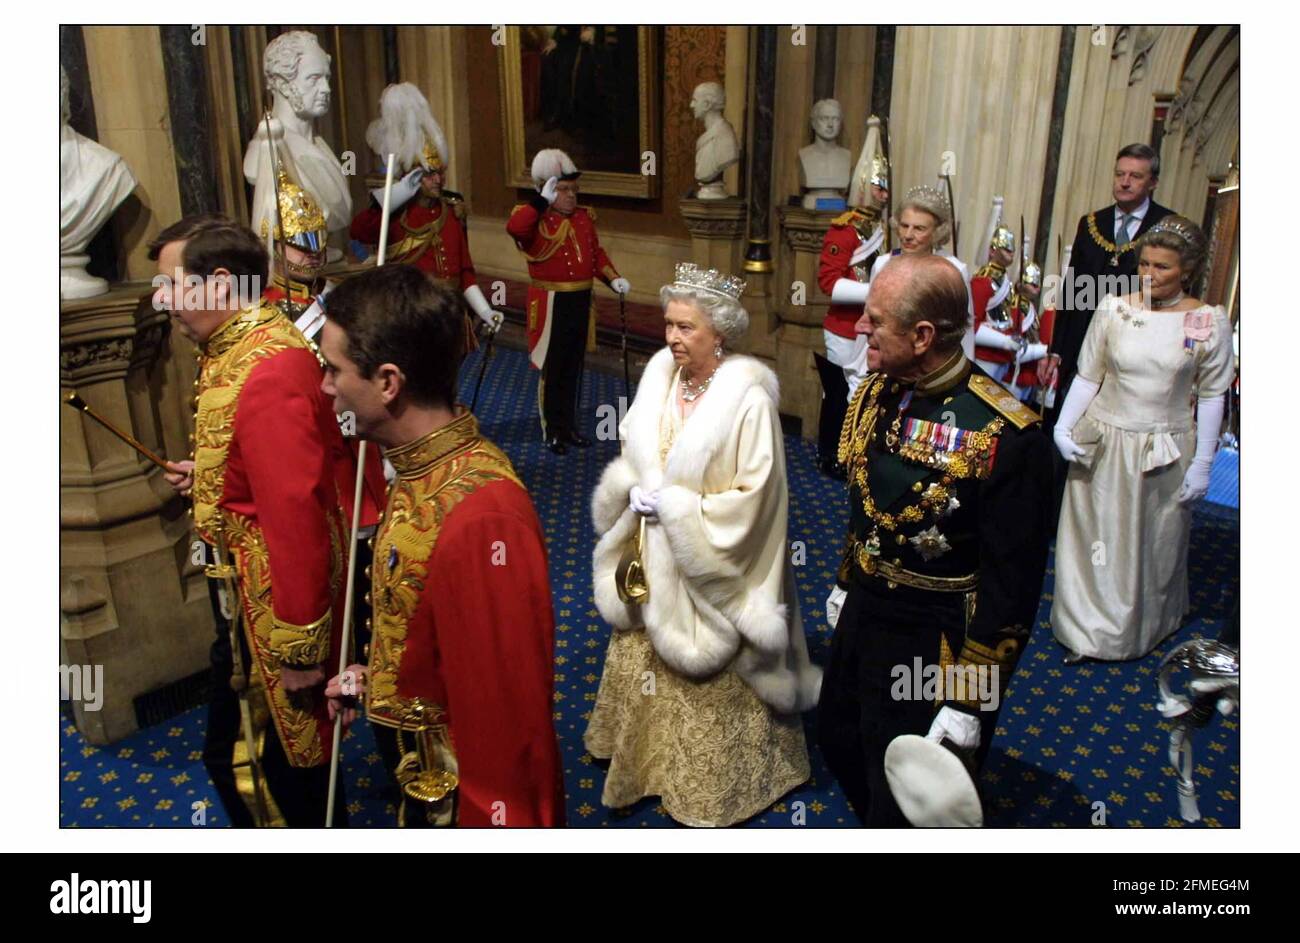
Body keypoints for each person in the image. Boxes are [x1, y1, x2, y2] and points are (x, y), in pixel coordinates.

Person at [320, 264, 565, 827]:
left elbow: (508, 724)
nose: (326, 387)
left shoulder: (485, 518)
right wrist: (372, 677)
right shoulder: (420, 467)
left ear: (388, 382)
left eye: (334, 371)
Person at [818, 254, 1052, 826]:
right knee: (839, 735)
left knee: (907, 793)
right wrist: (849, 579)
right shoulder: (877, 391)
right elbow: (868, 506)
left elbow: (1011, 588)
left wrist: (971, 696)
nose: (861, 328)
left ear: (923, 336)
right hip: (866, 613)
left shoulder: (1006, 434)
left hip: (937, 638)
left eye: (876, 319)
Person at [585, 262, 821, 827]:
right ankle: (643, 763)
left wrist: (679, 511)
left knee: (710, 672)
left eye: (687, 328)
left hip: (717, 564)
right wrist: (632, 488)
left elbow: (757, 497)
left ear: (721, 333)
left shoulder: (749, 401)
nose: (672, 337)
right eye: (669, 324)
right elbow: (638, 448)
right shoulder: (659, 375)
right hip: (653, 559)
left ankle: (715, 787)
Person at [151, 214, 358, 827]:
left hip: (275, 612)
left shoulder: (267, 366)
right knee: (244, 758)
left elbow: (294, 518)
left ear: (218, 283)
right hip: (243, 596)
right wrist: (216, 475)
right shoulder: (237, 343)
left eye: (170, 285)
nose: (163, 302)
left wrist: (299, 649)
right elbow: (262, 468)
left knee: (278, 770)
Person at [1051, 216, 1233, 663]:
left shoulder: (1206, 320)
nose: (1150, 275)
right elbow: (1089, 375)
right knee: (1095, 540)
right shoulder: (1114, 308)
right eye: (1145, 264)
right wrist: (1062, 427)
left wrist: (1204, 463)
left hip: (1162, 447)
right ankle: (1085, 628)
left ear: (1186, 269)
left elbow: (1212, 396)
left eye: (1163, 268)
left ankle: (1142, 624)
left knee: (1151, 543)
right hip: (1104, 438)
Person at [350, 83, 503, 344]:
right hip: (412, 319)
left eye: (440, 172)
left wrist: (485, 310)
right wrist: (396, 194)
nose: (438, 179)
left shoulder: (452, 210)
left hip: (451, 315)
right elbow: (358, 231)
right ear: (412, 175)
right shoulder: (396, 214)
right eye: (429, 174)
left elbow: (465, 272)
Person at [507, 148, 629, 453]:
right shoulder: (532, 218)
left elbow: (595, 253)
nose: (571, 195)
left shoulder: (584, 218)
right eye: (563, 190)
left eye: (574, 189)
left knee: (573, 367)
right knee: (553, 369)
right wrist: (540, 202)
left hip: (580, 301)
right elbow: (515, 229)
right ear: (547, 189)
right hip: (550, 302)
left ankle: (569, 426)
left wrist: (613, 278)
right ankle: (552, 430)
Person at [1053, 143, 1173, 419]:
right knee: (1066, 421)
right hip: (1082, 341)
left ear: (1153, 182)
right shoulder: (1093, 222)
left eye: (1135, 176)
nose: (1125, 182)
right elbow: (1072, 288)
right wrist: (1056, 351)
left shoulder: (1167, 225)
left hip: (1134, 343)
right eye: (1120, 174)